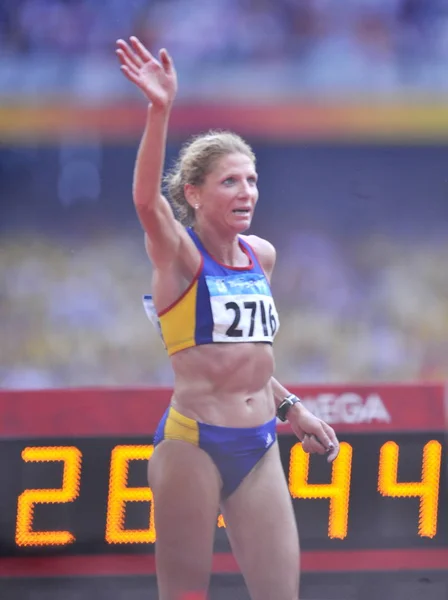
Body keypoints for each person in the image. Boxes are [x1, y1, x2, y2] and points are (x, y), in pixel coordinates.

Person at [115, 36, 340, 600]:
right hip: (193, 444)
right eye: (231, 181)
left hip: (261, 443)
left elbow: (247, 358)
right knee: (187, 595)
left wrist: (290, 406)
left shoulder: (260, 255)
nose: (248, 191)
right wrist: (159, 109)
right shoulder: (180, 258)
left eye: (253, 179)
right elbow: (146, 203)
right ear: (193, 194)